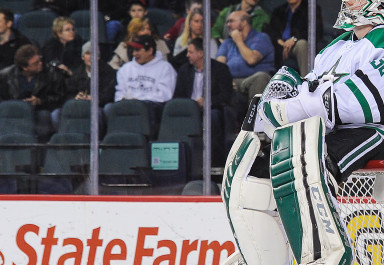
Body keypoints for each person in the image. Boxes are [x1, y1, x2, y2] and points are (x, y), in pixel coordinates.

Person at [219, 0, 384, 265]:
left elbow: (360, 104)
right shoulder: (334, 49)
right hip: (332, 128)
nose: (347, 2)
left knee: (312, 163)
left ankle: (332, 262)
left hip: (381, 131)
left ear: (378, 4)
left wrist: (287, 108)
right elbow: (309, 94)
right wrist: (279, 105)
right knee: (260, 167)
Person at [173, 37, 234, 165]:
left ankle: (215, 161)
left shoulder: (220, 69)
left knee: (213, 117)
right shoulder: (184, 70)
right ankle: (181, 161)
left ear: (201, 53)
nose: (187, 55)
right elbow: (177, 95)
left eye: (190, 52)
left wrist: (207, 101)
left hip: (211, 108)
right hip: (189, 110)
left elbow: (226, 95)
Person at [0, 44, 65, 140]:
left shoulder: (51, 74)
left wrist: (40, 101)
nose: (41, 63)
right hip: (13, 113)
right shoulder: (4, 76)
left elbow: (59, 97)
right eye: (36, 63)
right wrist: (13, 105)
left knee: (44, 116)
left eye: (40, 60)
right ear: (25, 67)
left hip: (38, 111)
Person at [216, 10, 275, 101]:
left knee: (260, 77)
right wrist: (227, 81)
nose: (228, 25)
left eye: (231, 21)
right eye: (227, 22)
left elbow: (251, 59)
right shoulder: (227, 43)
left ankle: (256, 114)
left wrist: (239, 41)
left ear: (244, 22)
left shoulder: (261, 38)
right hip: (233, 81)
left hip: (253, 79)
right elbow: (219, 66)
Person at [268, 0, 322, 74]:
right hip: (281, 45)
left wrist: (294, 39)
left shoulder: (311, 9)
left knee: (302, 44)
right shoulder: (278, 11)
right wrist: (280, 42)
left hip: (297, 44)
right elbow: (272, 30)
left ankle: (307, 82)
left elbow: (316, 31)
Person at [114, 34, 177, 112]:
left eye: (138, 50)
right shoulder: (125, 69)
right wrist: (124, 100)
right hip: (127, 107)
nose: (134, 53)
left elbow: (165, 95)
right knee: (109, 108)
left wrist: (139, 101)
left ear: (150, 51)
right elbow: (119, 94)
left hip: (152, 108)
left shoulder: (165, 68)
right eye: (133, 50)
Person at [66, 41, 116, 106]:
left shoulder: (108, 71)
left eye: (94, 53)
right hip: (81, 106)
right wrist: (76, 97)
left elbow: (109, 94)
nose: (91, 57)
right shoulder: (77, 73)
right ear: (83, 57)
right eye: (88, 53)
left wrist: (95, 99)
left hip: (100, 106)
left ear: (98, 57)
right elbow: (69, 93)